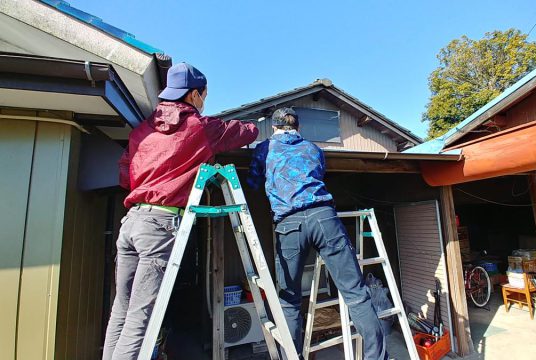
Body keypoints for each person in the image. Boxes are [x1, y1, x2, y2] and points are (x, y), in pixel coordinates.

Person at [103, 62, 259, 360]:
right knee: (141, 318)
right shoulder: (200, 127)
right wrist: (256, 125)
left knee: (121, 311)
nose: (205, 101)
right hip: (159, 225)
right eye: (204, 94)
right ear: (194, 95)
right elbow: (242, 133)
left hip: (132, 221)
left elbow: (126, 174)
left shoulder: (142, 130)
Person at [248, 107, 388, 360]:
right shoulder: (313, 149)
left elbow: (254, 182)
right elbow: (318, 173)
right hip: (324, 218)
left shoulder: (264, 149)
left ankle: (292, 356)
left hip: (289, 224)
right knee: (356, 293)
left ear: (274, 127)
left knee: (288, 300)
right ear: (298, 127)